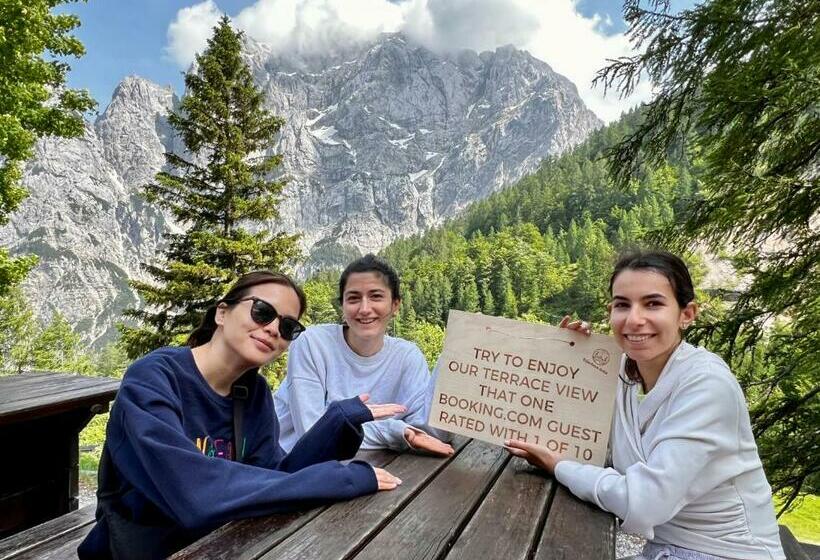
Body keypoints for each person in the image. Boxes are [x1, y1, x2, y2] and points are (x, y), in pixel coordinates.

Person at [78, 271, 404, 560]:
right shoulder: (154, 378)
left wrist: (338, 421)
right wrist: (340, 479)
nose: (274, 329)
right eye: (263, 312)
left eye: (288, 326)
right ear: (222, 312)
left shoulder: (253, 393)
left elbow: (274, 478)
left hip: (221, 544)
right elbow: (194, 495)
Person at [505, 250, 785, 560]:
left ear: (687, 314)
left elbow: (644, 503)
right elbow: (571, 439)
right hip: (664, 550)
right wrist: (571, 364)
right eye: (622, 305)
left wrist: (560, 467)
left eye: (653, 303)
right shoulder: (623, 373)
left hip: (726, 553)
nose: (634, 319)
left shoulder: (707, 384)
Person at [275, 254, 454, 455]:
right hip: (285, 462)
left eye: (376, 296)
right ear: (342, 306)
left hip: (364, 462)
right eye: (353, 298)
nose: (364, 309)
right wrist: (395, 430)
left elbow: (425, 432)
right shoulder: (312, 343)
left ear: (395, 305)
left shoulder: (407, 356)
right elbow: (313, 432)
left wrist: (454, 360)